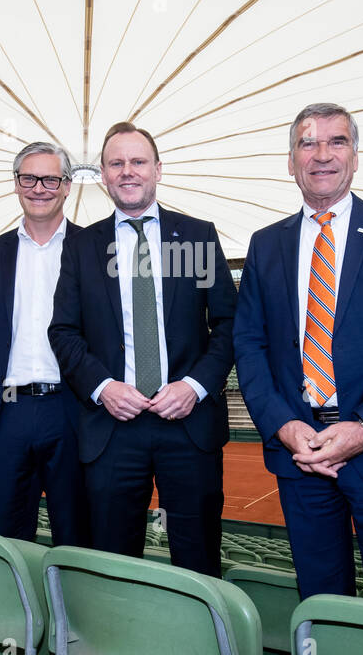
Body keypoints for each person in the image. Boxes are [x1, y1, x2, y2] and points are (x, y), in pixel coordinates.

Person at [232, 103, 363, 606]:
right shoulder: (266, 245)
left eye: (337, 141)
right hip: (302, 457)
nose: (322, 154)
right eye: (308, 143)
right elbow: (250, 343)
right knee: (322, 602)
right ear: (291, 161)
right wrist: (284, 426)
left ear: (355, 156)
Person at [48, 122, 237, 576]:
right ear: (105, 176)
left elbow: (230, 323)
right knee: (112, 561)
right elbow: (64, 331)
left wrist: (194, 386)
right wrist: (103, 387)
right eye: (116, 163)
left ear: (157, 170)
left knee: (197, 556)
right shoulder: (81, 247)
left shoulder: (197, 236)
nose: (127, 171)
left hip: (188, 423)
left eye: (137, 162)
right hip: (113, 427)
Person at [0, 141, 89, 545]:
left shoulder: (93, 248)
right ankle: (15, 609)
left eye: (50, 178)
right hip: (8, 412)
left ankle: (72, 608)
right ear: (16, 184)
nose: (39, 187)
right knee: (5, 531)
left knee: (77, 531)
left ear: (67, 185)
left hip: (72, 411)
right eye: (29, 178)